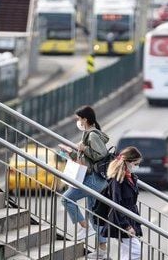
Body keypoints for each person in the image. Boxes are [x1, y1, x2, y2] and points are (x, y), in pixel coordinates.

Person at [60, 105, 110, 259]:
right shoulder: (88, 134)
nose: (78, 122)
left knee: (66, 199)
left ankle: (84, 226)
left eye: (79, 119)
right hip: (95, 178)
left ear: (85, 119)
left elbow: (102, 155)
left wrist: (84, 148)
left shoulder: (92, 135)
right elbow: (87, 162)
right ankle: (102, 251)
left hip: (94, 179)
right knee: (94, 214)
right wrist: (73, 153)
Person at [103, 146, 143, 260]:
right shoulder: (118, 179)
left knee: (127, 252)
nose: (137, 166)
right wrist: (126, 225)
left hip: (130, 217)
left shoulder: (131, 177)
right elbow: (117, 204)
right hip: (122, 220)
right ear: (128, 162)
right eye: (136, 164)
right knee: (135, 251)